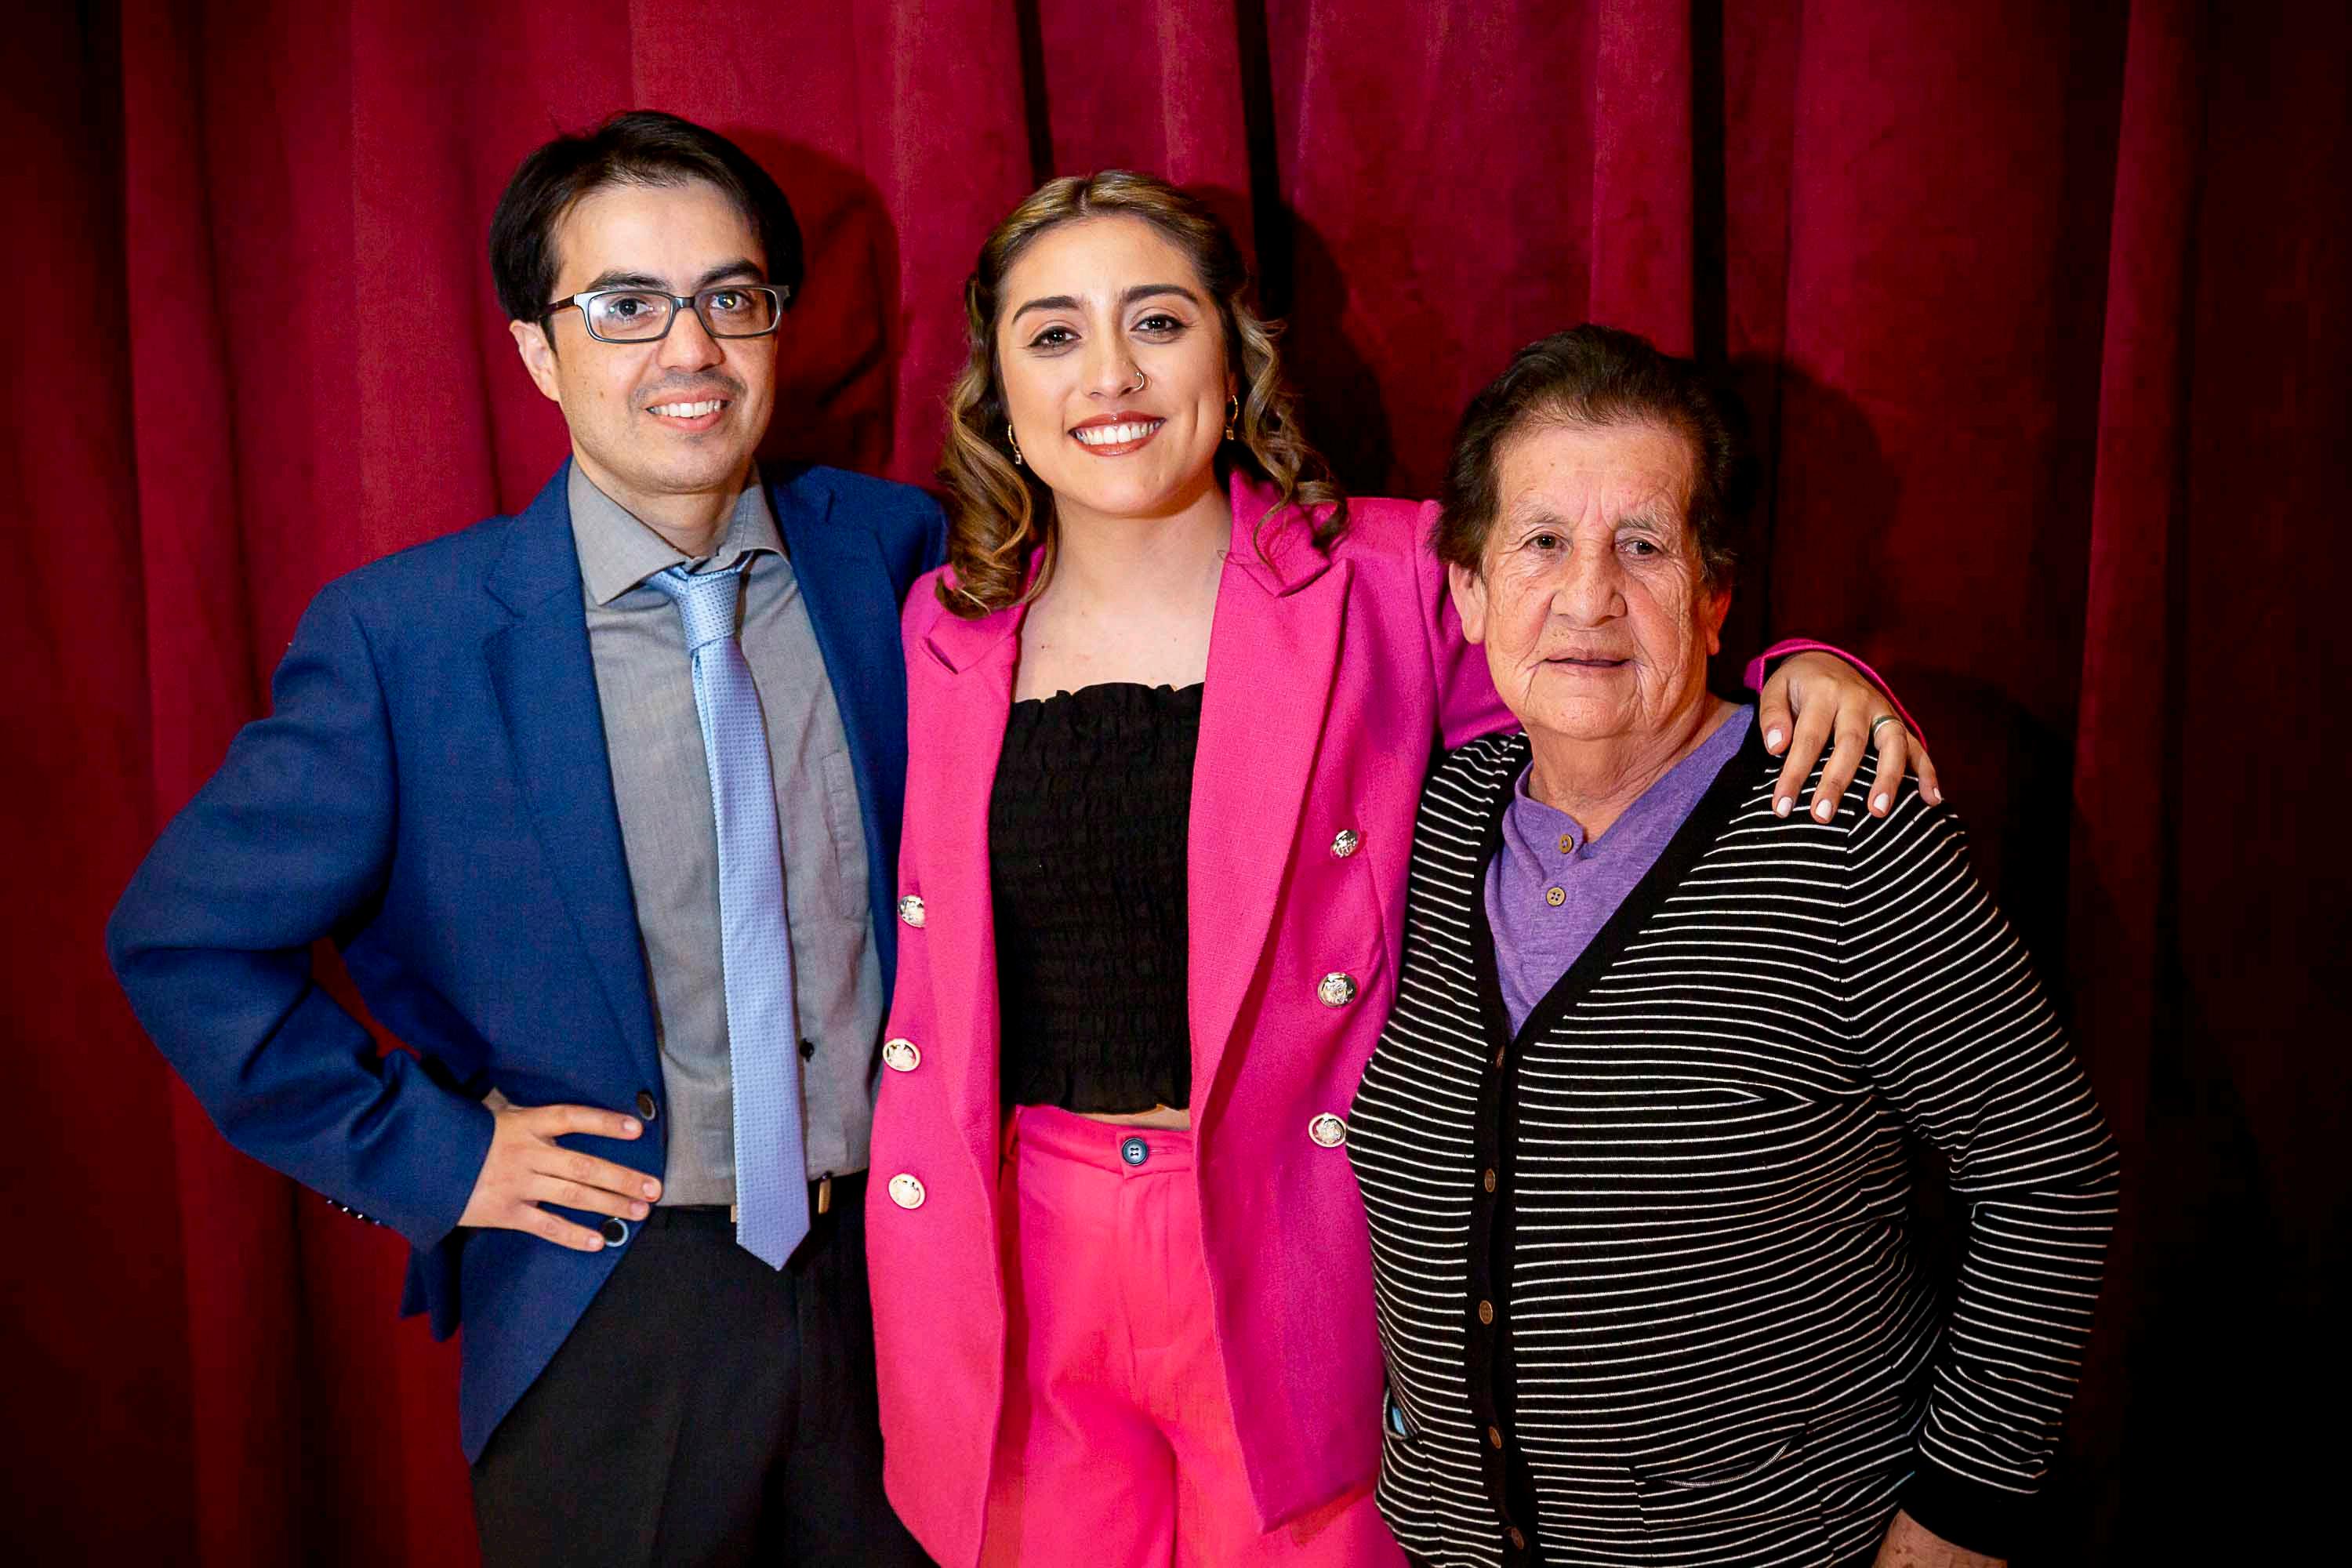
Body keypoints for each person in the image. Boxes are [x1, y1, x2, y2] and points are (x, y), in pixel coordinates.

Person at [866, 171, 1941, 1568]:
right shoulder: (943, 624)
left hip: (1293, 1246)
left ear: (1234, 358)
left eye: (1159, 322)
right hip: (1019, 1245)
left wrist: (1804, 671)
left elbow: (1620, 694)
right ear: (998, 391)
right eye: (1054, 334)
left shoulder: (1388, 575)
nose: (1111, 374)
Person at [106, 111, 939, 1566]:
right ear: (539, 353)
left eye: (730, 297)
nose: (690, 349)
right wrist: (433, 1158)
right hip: (608, 1307)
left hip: (911, 1287)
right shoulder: (405, 638)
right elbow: (182, 940)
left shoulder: (902, 555)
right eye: (625, 307)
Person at [1345, 325, 2119, 1568]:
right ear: (1470, 592)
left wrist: (1957, 1520)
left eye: (1643, 546)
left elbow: (2049, 1175)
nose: (1589, 596)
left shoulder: (1842, 832)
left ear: (1713, 599)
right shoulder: (1434, 822)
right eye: (1540, 543)